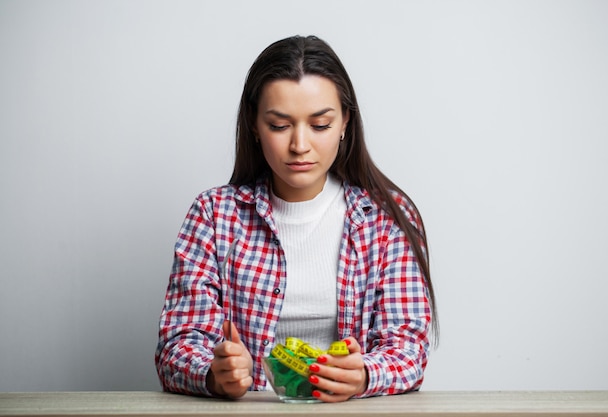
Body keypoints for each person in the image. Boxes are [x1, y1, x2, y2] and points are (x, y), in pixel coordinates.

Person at [155, 35, 437, 403]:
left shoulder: (387, 219)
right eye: (279, 125)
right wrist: (213, 373)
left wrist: (366, 374)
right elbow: (177, 345)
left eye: (319, 125)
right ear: (255, 125)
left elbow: (408, 348)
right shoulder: (214, 216)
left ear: (345, 122)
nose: (300, 145)